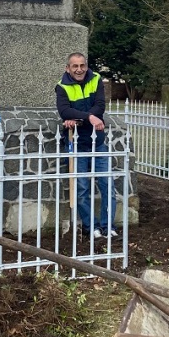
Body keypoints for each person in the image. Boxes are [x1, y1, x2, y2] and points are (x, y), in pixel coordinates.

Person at [55, 52, 114, 239]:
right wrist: (88, 117)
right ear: (68, 68)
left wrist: (77, 117)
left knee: (107, 185)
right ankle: (91, 227)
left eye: (82, 65)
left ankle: (107, 226)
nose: (79, 69)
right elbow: (64, 111)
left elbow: (100, 106)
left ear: (86, 66)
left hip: (98, 142)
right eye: (75, 66)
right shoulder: (62, 87)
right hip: (77, 143)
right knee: (81, 189)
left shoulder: (96, 79)